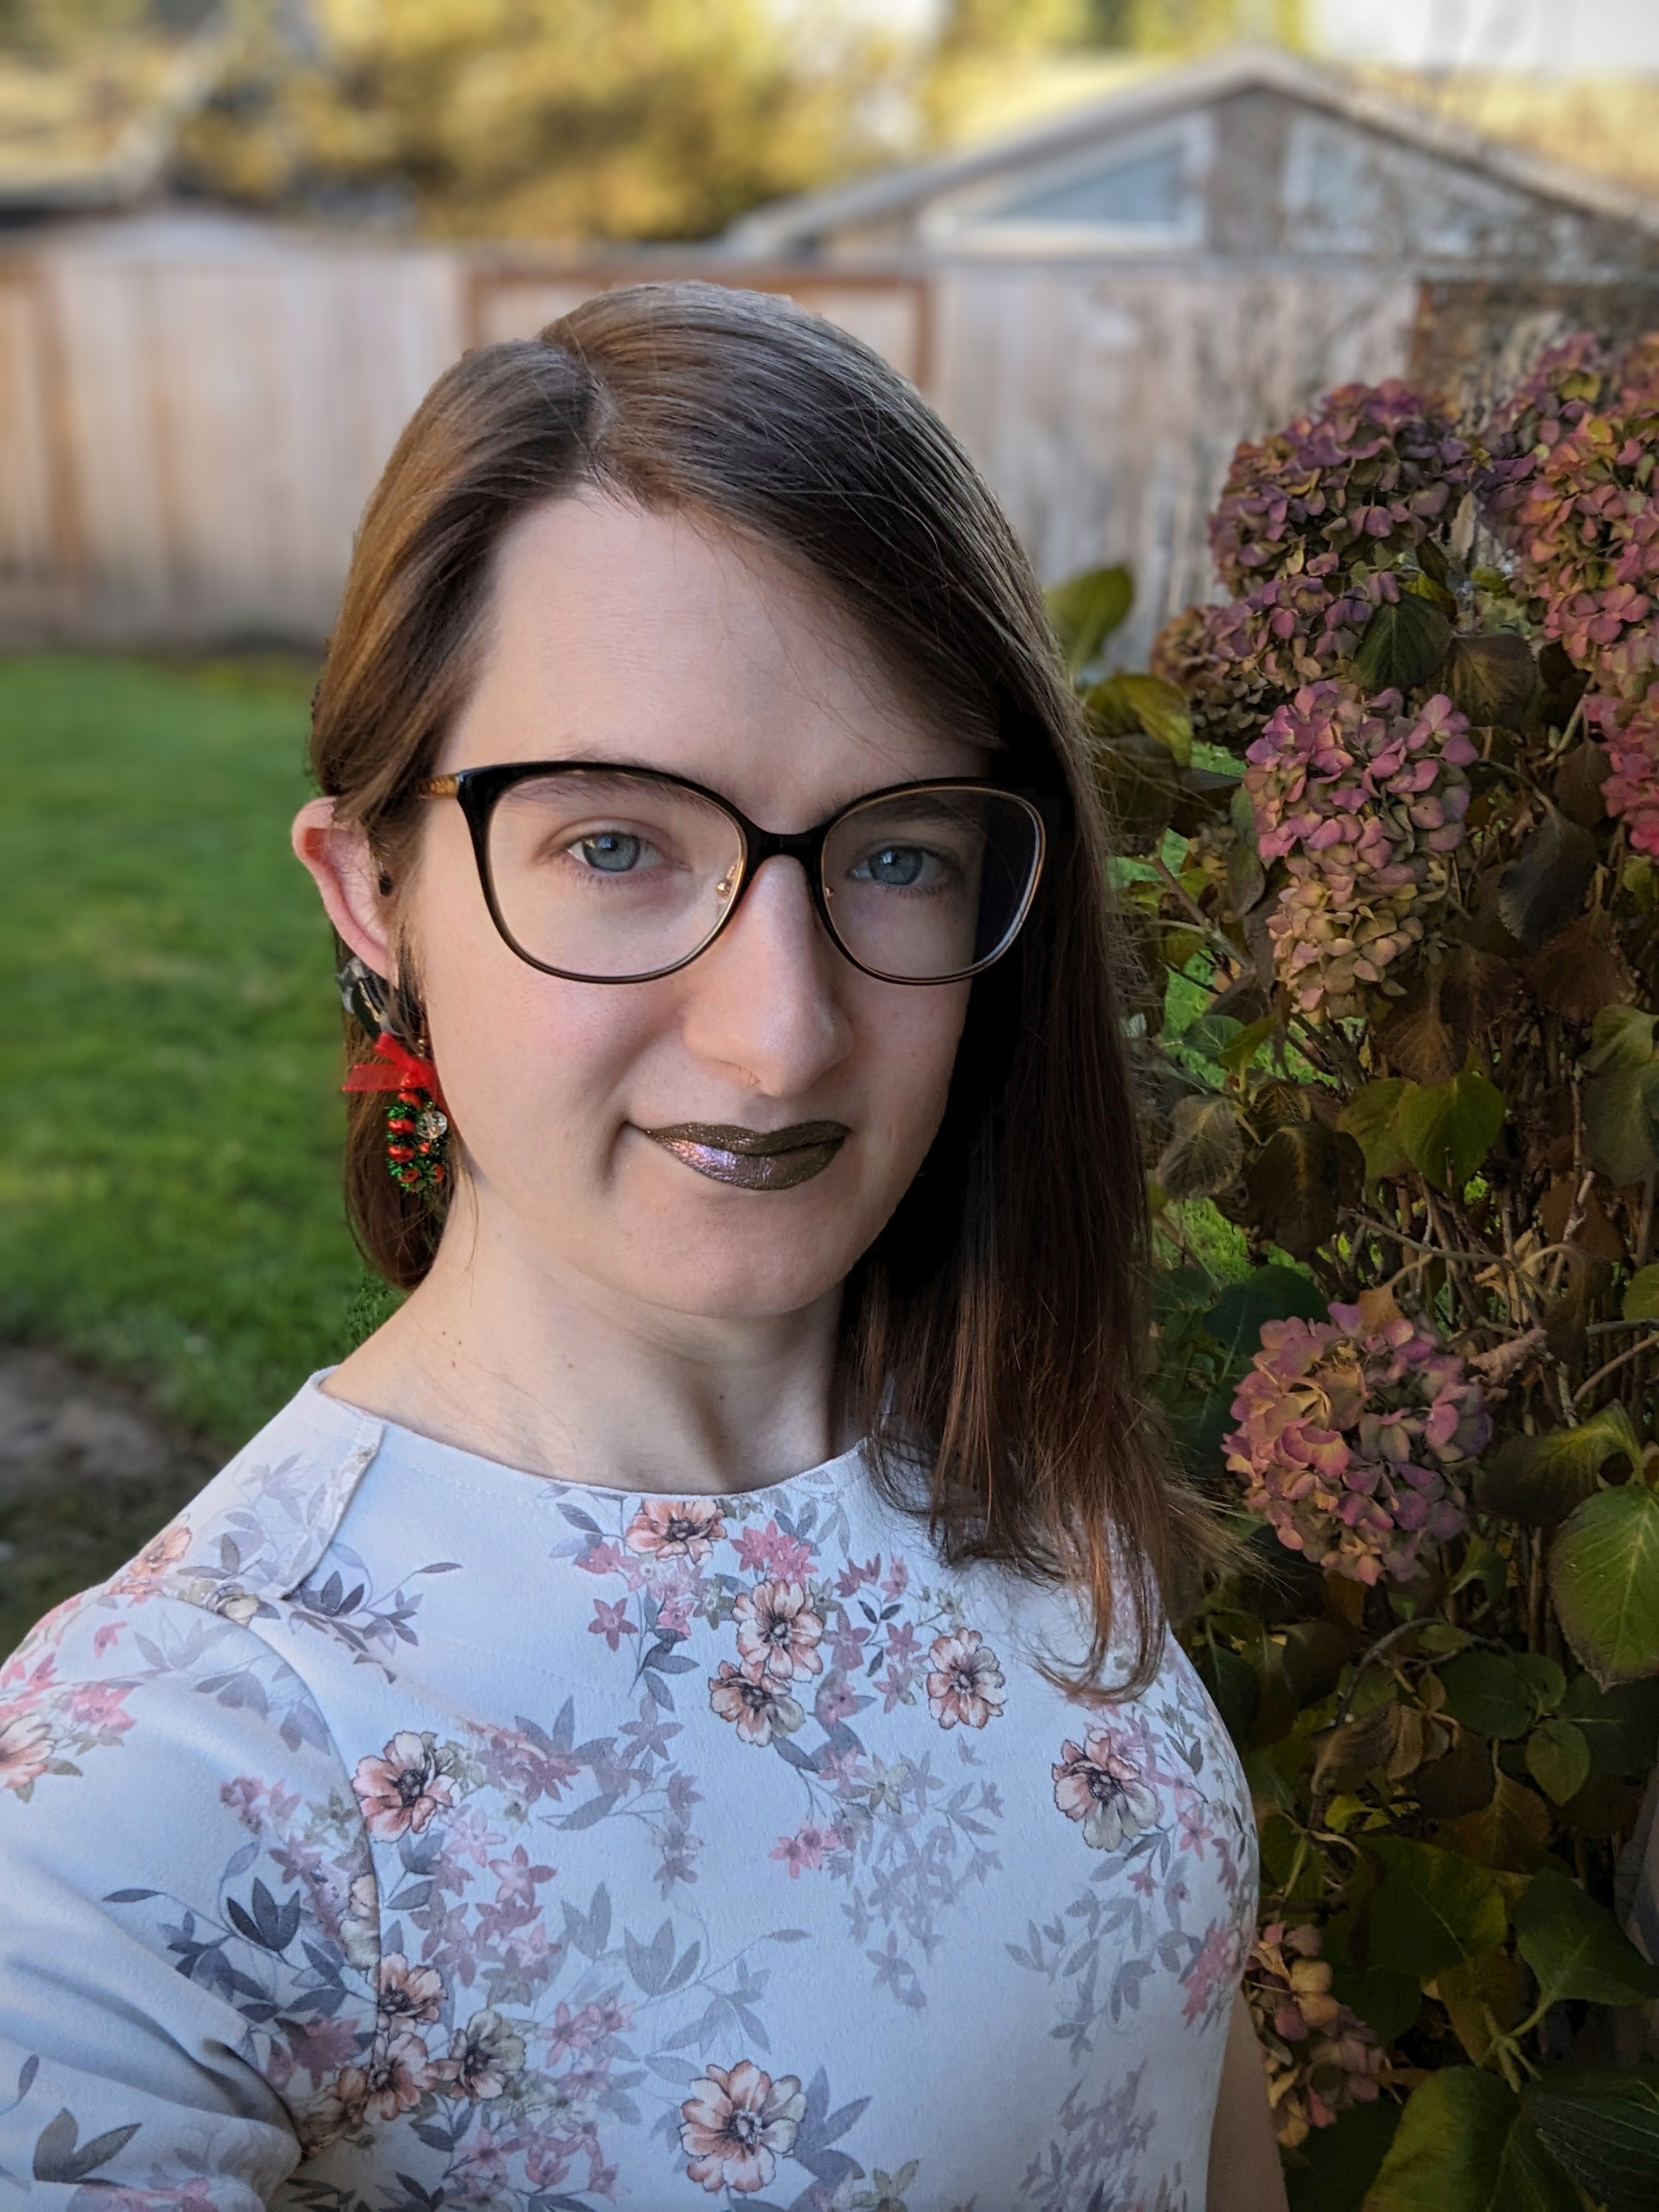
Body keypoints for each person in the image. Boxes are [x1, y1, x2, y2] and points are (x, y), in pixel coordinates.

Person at [0, 283, 1284, 2211]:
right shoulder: (178, 1782)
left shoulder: (993, 1430)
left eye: (898, 854)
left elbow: (1181, 2043)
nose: (782, 1035)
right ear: (374, 892)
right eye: (614, 844)